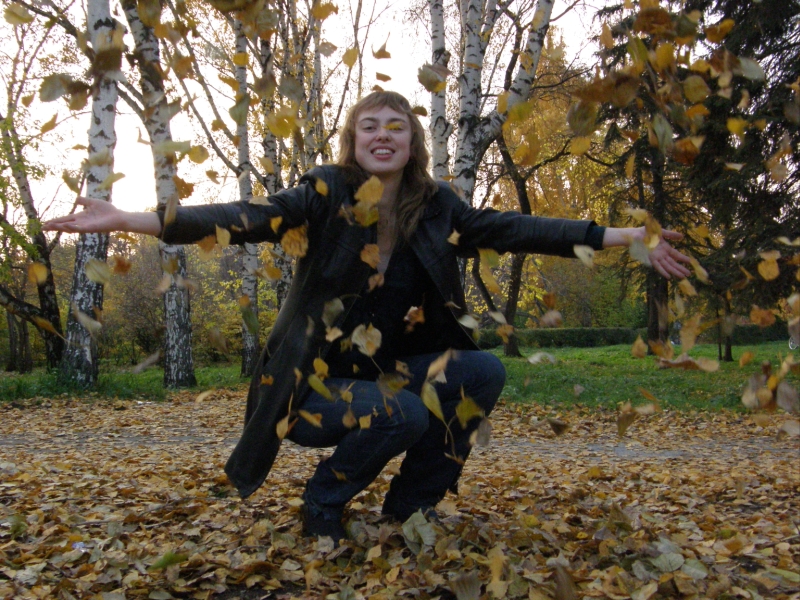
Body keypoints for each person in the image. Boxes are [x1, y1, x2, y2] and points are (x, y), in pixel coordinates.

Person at [44, 91, 691, 543]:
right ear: (354, 143)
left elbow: (520, 229)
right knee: (403, 413)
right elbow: (244, 218)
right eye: (370, 127)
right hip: (309, 389)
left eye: (396, 127)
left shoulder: (438, 209)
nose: (383, 135)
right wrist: (134, 218)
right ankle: (322, 502)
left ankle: (410, 509)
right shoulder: (325, 194)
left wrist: (627, 237)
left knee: (482, 373)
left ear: (413, 144)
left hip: (385, 374)